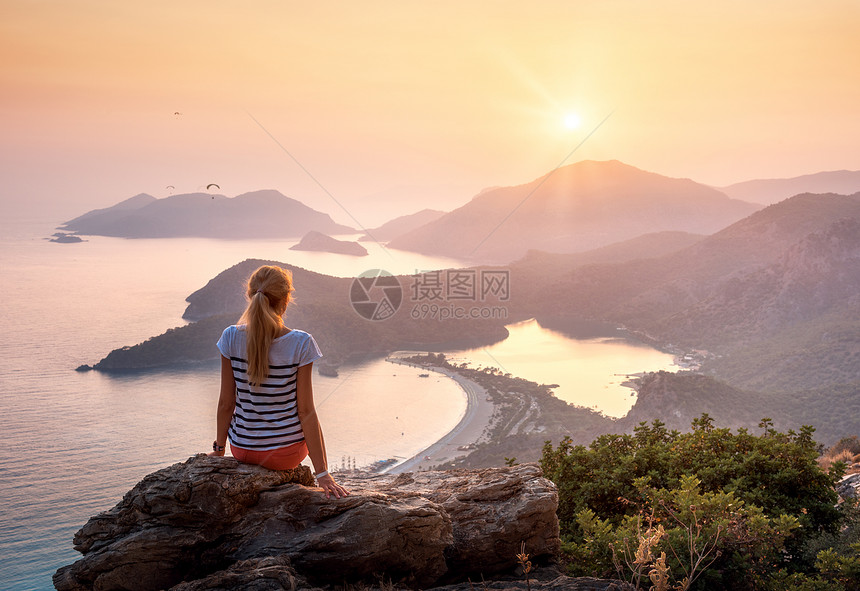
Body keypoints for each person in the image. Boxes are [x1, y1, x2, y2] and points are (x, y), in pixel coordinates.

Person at [208, 265, 348, 499]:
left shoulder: (230, 337)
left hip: (242, 449)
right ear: (286, 299)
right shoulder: (301, 343)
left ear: (250, 296)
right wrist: (322, 473)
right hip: (285, 454)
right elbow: (306, 411)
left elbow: (226, 403)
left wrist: (219, 450)